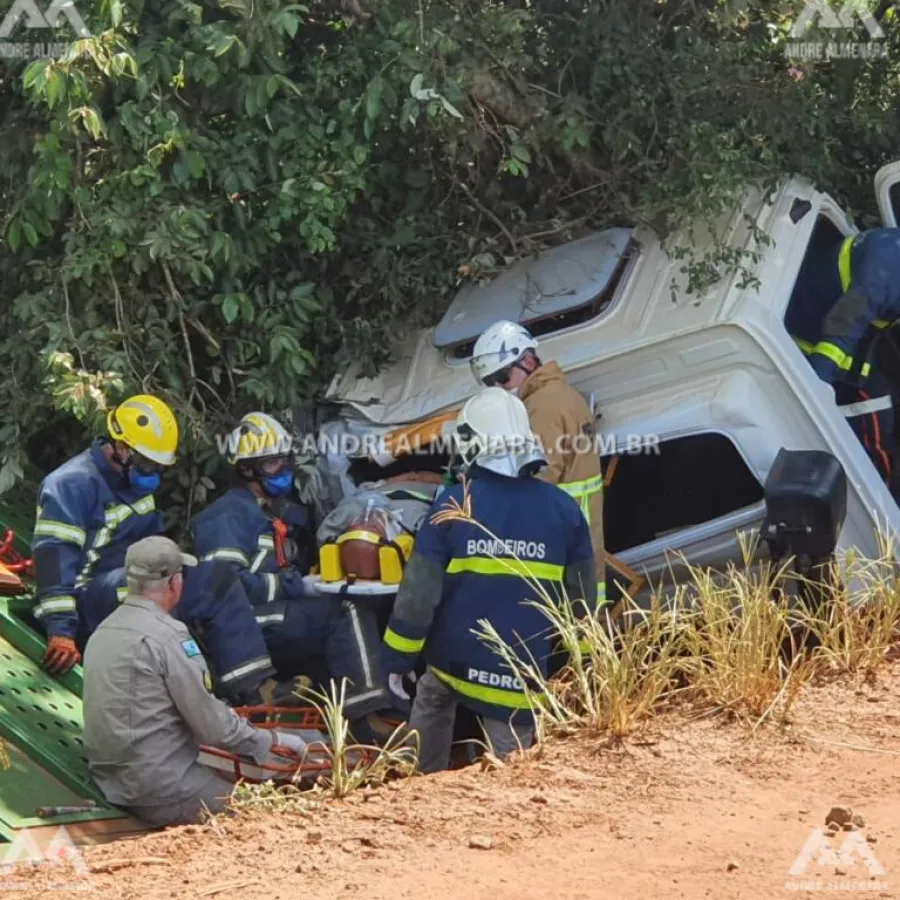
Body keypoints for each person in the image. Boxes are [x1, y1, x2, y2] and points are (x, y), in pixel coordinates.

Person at [381, 387, 596, 772]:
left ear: (472, 444)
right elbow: (581, 602)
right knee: (511, 772)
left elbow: (418, 596)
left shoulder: (452, 504)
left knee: (431, 699)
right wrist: (574, 663)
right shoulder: (565, 509)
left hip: (453, 661)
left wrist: (398, 659)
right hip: (520, 674)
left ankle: (417, 786)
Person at [190, 411, 396, 739]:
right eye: (272, 463)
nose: (283, 470)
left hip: (271, 616)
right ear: (246, 468)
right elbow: (225, 589)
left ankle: (351, 719)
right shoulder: (227, 516)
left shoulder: (277, 512)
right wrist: (296, 587)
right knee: (344, 611)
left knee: (341, 620)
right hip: (243, 623)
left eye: (284, 460)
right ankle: (368, 717)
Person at [82, 535, 308, 828]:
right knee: (267, 814)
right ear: (175, 583)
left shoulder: (103, 631)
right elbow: (213, 727)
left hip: (113, 781)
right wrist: (271, 741)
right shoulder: (169, 636)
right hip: (162, 787)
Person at [31, 395, 178, 675]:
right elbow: (52, 557)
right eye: (148, 463)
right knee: (142, 584)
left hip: (111, 593)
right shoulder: (71, 484)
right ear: (121, 448)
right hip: (78, 605)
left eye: (159, 466)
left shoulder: (135, 487)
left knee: (186, 577)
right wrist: (61, 630)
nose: (154, 474)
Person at [469, 321, 606, 604]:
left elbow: (542, 473)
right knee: (587, 602)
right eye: (491, 381)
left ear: (528, 361)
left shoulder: (542, 405)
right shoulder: (559, 394)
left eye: (503, 377)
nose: (499, 387)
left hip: (561, 525)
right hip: (576, 520)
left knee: (574, 606)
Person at [787, 227, 900, 489]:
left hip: (854, 331)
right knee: (874, 411)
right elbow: (842, 327)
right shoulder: (883, 277)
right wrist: (816, 393)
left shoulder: (893, 249)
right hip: (817, 341)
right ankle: (881, 495)